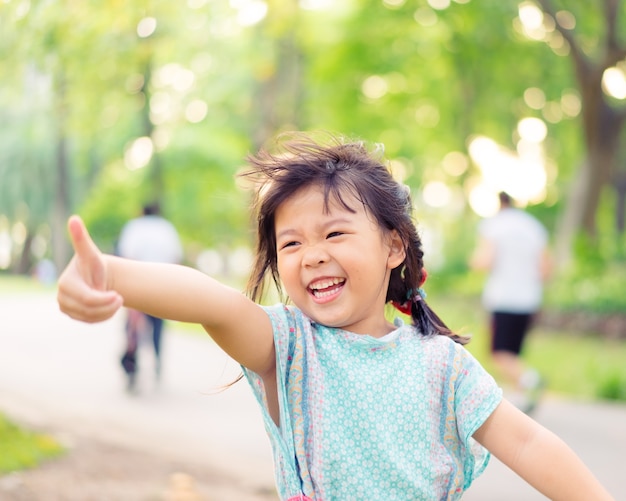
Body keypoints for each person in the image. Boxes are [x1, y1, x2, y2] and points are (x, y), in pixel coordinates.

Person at [57, 133, 613, 501]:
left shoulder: (444, 366)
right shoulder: (288, 347)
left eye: (335, 233)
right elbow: (210, 300)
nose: (313, 254)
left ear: (393, 247)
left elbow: (530, 445)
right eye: (291, 243)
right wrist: (107, 274)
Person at [470, 191, 552, 414]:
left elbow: (484, 260)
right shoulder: (534, 227)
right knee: (514, 352)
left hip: (503, 298)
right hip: (529, 299)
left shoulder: (494, 226)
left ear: (499, 204)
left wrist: (474, 261)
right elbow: (545, 269)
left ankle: (531, 380)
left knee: (499, 353)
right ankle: (522, 397)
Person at [116, 202, 183, 390]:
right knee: (158, 326)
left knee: (133, 327)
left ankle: (132, 364)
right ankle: (157, 360)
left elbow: (126, 255)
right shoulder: (167, 229)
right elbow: (176, 257)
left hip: (137, 283)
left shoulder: (134, 227)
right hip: (162, 284)